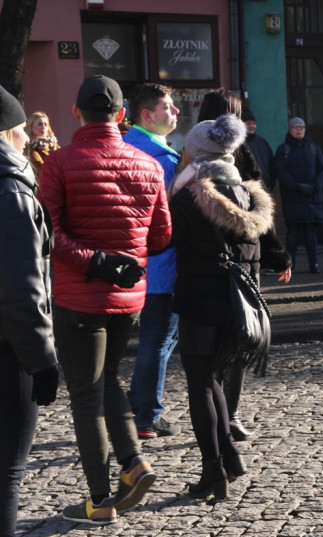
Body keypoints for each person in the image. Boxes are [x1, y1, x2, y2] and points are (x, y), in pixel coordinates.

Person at [38, 75, 172, 524]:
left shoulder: (59, 163)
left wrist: (92, 260)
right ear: (121, 116)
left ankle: (99, 501)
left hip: (79, 296)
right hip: (129, 296)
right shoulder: (148, 165)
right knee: (108, 377)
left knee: (84, 393)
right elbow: (161, 236)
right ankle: (133, 463)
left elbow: (47, 234)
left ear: (77, 113)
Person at [169, 114, 290, 502]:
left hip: (200, 301)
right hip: (239, 307)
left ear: (199, 153)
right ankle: (229, 458)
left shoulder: (189, 196)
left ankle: (212, 473)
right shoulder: (251, 197)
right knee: (214, 379)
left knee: (200, 383)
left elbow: (163, 240)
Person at [0, 85, 62, 537]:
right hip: (7, 350)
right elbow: (21, 289)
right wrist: (42, 361)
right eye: (22, 128)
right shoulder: (11, 189)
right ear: (10, 130)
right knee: (7, 469)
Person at [123, 83, 182, 440]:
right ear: (147, 115)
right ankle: (147, 413)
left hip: (135, 262)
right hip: (163, 263)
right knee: (159, 340)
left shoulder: (127, 148)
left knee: (152, 339)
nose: (174, 111)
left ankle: (135, 402)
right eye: (168, 107)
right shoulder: (161, 160)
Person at [274, 117, 323, 274]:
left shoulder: (314, 149)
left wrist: (315, 186)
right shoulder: (283, 150)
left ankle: (314, 264)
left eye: (302, 127)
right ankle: (291, 264)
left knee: (310, 232)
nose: (299, 130)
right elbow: (280, 171)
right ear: (290, 130)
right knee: (293, 232)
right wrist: (295, 186)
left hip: (312, 197)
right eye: (296, 127)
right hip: (293, 197)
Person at [241, 107, 275, 192]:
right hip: (247, 189)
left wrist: (271, 183)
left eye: (254, 123)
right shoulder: (238, 143)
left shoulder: (262, 142)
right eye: (248, 123)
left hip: (265, 187)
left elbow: (271, 164)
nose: (252, 126)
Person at [22, 111, 59, 176]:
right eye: (40, 124)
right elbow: (41, 167)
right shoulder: (30, 147)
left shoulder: (54, 145)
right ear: (31, 127)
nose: (43, 127)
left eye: (46, 124)